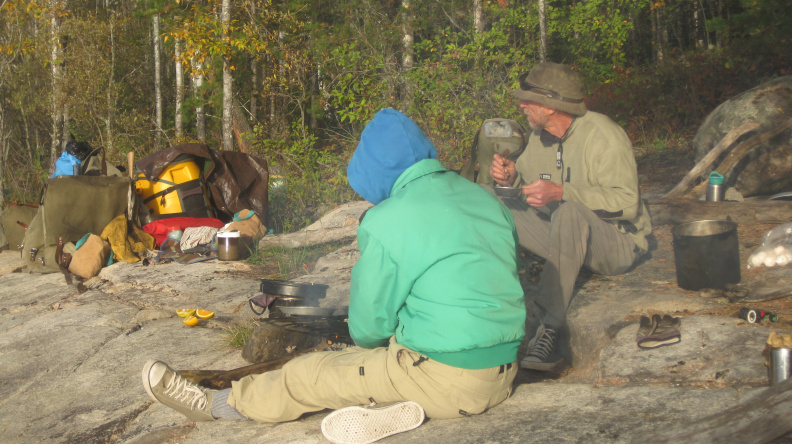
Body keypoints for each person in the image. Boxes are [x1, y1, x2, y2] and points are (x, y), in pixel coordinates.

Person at [142, 108, 526, 443]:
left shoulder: (387, 220)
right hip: (503, 373)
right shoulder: (485, 198)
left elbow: (368, 328)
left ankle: (215, 405)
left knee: (311, 374)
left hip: (447, 380)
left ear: (377, 169)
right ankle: (404, 401)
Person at [489, 62, 652, 372]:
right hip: (561, 232)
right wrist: (509, 178)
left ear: (552, 106)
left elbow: (627, 203)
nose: (522, 105)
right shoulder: (540, 136)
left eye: (529, 100)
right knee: (486, 196)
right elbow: (529, 185)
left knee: (570, 212)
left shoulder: (605, 136)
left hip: (617, 242)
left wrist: (563, 192)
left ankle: (548, 329)